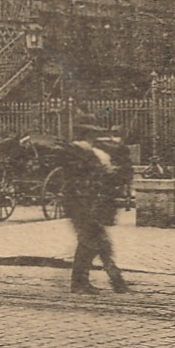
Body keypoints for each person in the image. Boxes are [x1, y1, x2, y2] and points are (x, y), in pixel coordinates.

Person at [63, 124, 132, 295]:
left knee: (97, 243)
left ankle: (114, 281)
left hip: (85, 204)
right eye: (94, 135)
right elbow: (89, 178)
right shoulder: (82, 153)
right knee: (92, 242)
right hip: (84, 205)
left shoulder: (84, 152)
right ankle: (83, 283)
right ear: (88, 136)